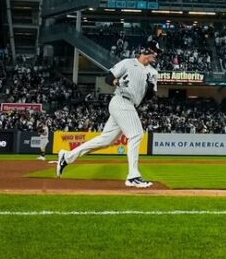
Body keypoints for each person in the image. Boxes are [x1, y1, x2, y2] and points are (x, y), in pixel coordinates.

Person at [57, 37, 159, 187]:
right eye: (154, 51)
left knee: (105, 140)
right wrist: (116, 82)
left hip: (130, 105)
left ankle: (67, 157)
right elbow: (108, 77)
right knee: (136, 134)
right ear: (145, 51)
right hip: (121, 100)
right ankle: (133, 176)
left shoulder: (153, 72)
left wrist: (149, 84)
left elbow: (150, 96)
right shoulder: (128, 63)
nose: (156, 55)